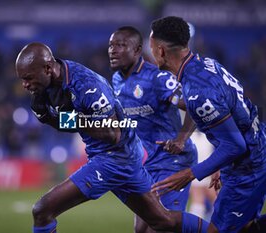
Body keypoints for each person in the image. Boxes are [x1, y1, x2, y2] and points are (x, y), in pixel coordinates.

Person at [15, 42, 209, 233]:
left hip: (113, 157)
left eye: (28, 78)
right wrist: (53, 118)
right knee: (162, 221)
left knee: (42, 211)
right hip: (122, 156)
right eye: (22, 79)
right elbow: (61, 123)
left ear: (48, 68)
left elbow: (111, 134)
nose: (25, 84)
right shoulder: (44, 89)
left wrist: (69, 119)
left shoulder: (87, 85)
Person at [149, 16, 266, 233]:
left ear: (161, 50)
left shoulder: (197, 91)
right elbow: (230, 115)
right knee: (246, 227)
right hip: (254, 149)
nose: (150, 52)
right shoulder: (204, 65)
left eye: (151, 47)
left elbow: (235, 145)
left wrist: (189, 174)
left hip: (248, 165)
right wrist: (185, 140)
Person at [108, 26, 198, 233]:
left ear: (137, 50)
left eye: (120, 45)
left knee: (163, 226)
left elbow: (194, 104)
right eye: (111, 45)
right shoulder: (117, 80)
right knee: (141, 230)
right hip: (146, 165)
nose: (113, 50)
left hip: (172, 161)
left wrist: (181, 139)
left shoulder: (157, 78)